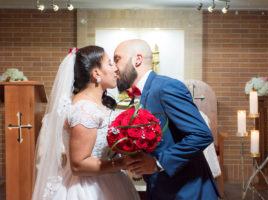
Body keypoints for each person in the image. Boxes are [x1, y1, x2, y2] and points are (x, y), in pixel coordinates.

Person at [114, 39, 221, 200]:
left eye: (117, 59)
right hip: (160, 189)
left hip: (188, 191)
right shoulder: (136, 97)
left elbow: (201, 135)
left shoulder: (166, 87)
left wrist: (158, 163)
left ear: (137, 59)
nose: (114, 68)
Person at [32, 45, 140, 200]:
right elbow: (78, 165)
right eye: (110, 63)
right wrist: (121, 163)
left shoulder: (93, 104)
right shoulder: (85, 109)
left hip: (105, 180)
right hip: (88, 189)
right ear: (96, 73)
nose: (116, 68)